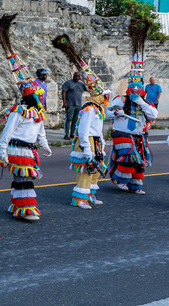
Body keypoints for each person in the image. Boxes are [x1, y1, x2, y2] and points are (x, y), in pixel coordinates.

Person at [0, 15, 52, 221]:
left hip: (30, 150)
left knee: (24, 178)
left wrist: (45, 146)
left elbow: (41, 131)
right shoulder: (19, 111)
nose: (40, 97)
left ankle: (16, 205)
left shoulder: (38, 113)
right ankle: (26, 208)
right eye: (37, 95)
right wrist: (2, 150)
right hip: (17, 148)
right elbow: (8, 131)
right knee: (24, 179)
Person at [52, 34, 109, 209]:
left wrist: (102, 143)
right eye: (105, 95)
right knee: (86, 170)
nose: (106, 98)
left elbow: (98, 130)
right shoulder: (89, 109)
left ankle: (90, 195)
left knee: (95, 171)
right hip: (87, 142)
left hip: (96, 142)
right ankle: (80, 199)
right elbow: (83, 130)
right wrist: (86, 148)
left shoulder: (98, 109)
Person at [107, 20, 158, 194]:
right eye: (133, 86)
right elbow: (107, 114)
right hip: (122, 133)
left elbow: (153, 115)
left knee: (139, 160)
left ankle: (135, 185)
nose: (135, 89)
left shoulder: (146, 103)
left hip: (139, 134)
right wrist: (117, 112)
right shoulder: (120, 100)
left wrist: (141, 102)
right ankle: (120, 180)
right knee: (129, 156)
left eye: (138, 86)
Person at [61, 72, 87, 139]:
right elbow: (64, 92)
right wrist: (64, 102)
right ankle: (66, 134)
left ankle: (72, 133)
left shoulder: (81, 84)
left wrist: (84, 81)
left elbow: (88, 89)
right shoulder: (68, 83)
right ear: (73, 76)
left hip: (78, 105)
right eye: (75, 76)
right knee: (69, 119)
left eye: (78, 76)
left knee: (75, 120)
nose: (77, 77)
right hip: (70, 104)